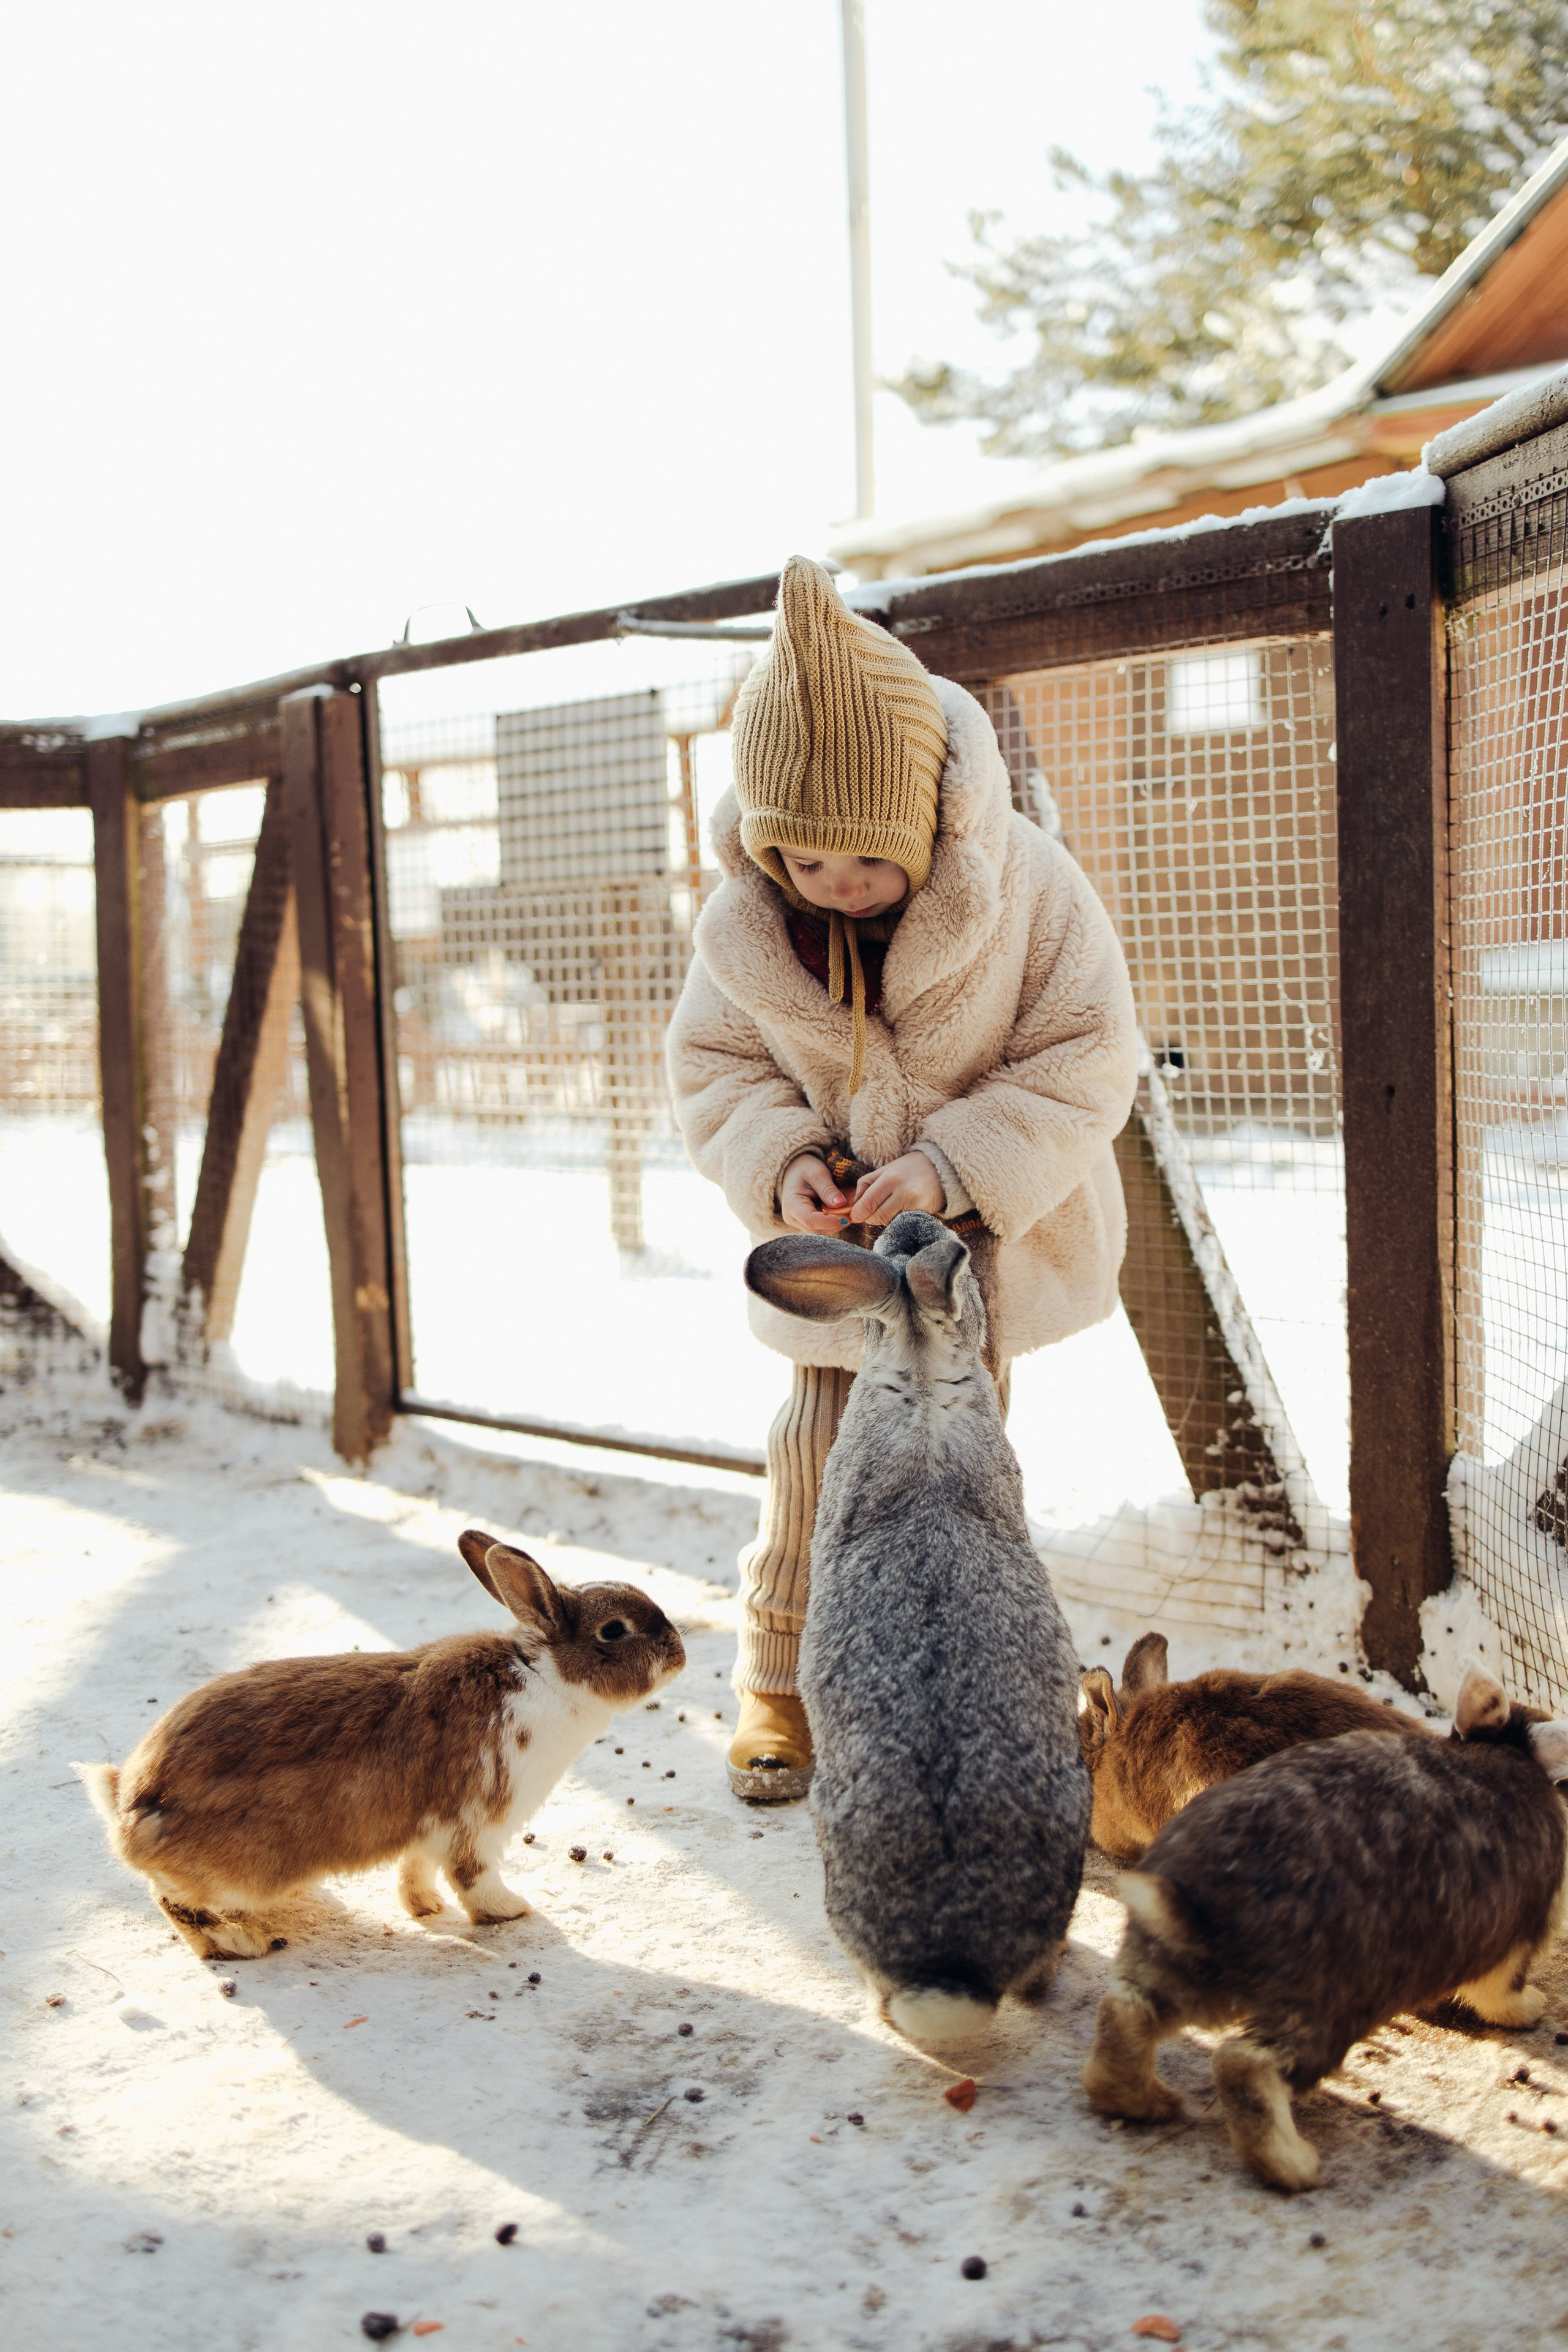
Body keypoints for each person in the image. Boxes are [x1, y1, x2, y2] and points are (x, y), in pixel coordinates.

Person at [666, 555, 1137, 1801]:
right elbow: (714, 1065)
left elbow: (1090, 1050)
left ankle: (962, 1688)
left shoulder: (1026, 883)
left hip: (974, 1250)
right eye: (805, 864)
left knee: (959, 1473)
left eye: (864, 865)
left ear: (929, 817)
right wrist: (783, 1162)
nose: (837, 889)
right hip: (836, 1269)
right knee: (817, 1452)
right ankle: (780, 1688)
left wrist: (953, 1161)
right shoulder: (750, 924)